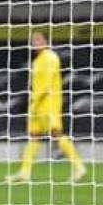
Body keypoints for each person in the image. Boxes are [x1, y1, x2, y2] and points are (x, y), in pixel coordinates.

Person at [7, 30, 86, 183]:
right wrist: (33, 102)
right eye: (33, 40)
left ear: (46, 41)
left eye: (38, 39)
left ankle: (79, 167)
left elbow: (47, 83)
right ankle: (24, 172)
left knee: (56, 133)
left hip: (49, 103)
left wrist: (34, 100)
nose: (35, 43)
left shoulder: (50, 57)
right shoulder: (37, 61)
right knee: (34, 136)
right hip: (37, 104)